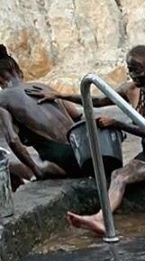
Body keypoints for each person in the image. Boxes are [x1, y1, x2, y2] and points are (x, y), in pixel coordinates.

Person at [34, 44, 145, 235]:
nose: (134, 77)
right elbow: (98, 101)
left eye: (139, 71)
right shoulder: (130, 90)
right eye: (131, 71)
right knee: (118, 176)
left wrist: (117, 124)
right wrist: (60, 96)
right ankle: (100, 218)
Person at [0, 46, 83, 179]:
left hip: (62, 158)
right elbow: (77, 114)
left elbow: (13, 140)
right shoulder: (42, 87)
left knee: (4, 161)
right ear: (19, 71)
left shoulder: (3, 98)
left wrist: (35, 169)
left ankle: (41, 169)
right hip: (83, 150)